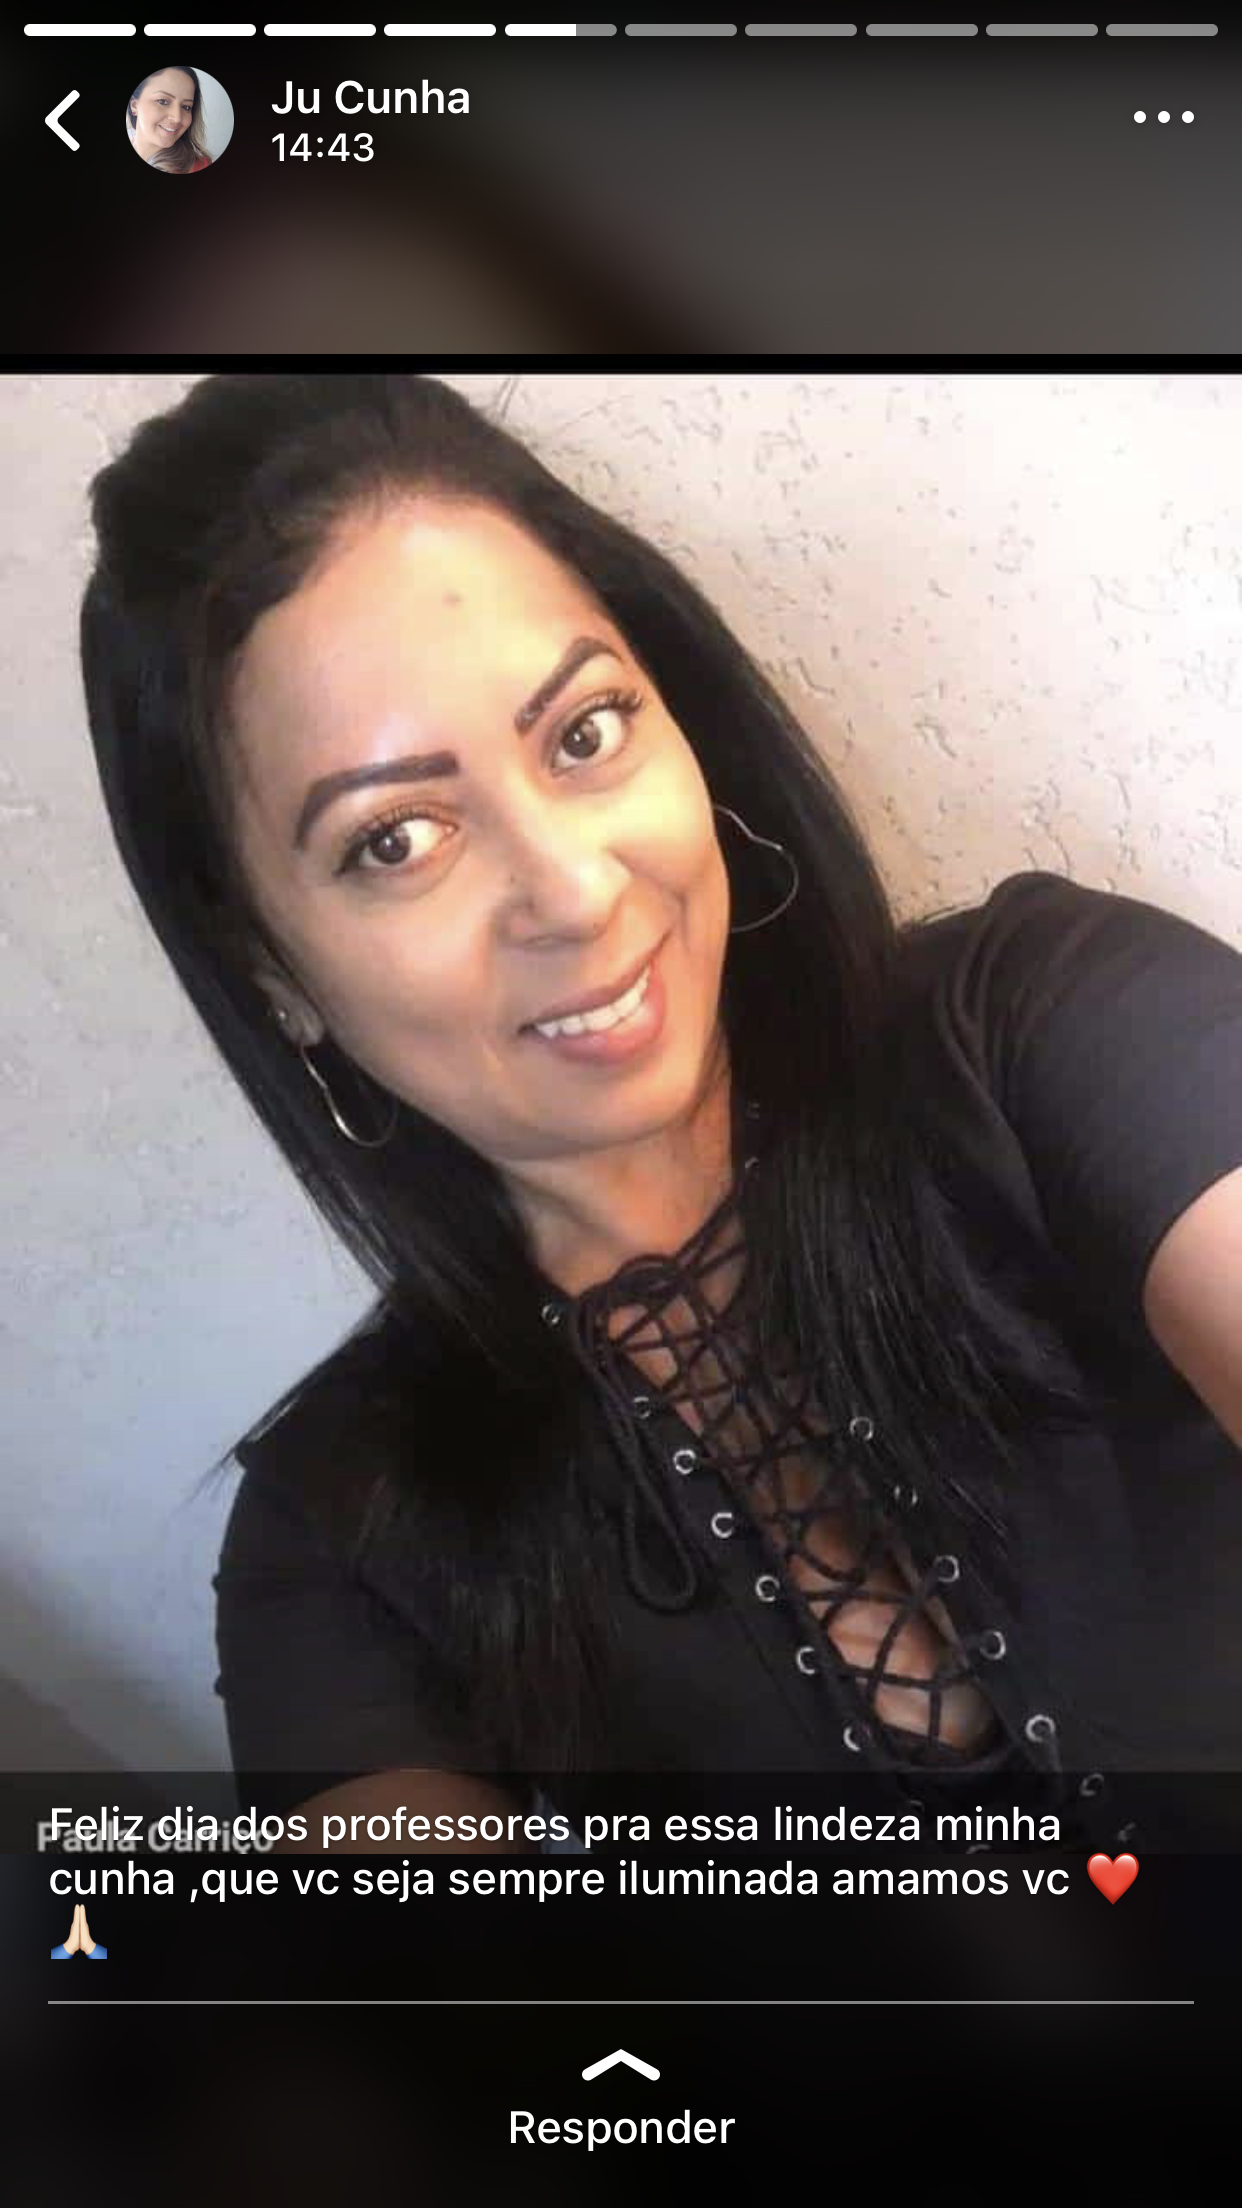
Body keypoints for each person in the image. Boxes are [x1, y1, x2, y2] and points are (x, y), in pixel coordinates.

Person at [79, 375, 1242, 1861]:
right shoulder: (337, 1552)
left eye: (582, 733)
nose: (571, 889)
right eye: (397, 837)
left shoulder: (1056, 1025)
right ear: (270, 972)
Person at [126, 67, 213, 172]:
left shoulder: (200, 166)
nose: (177, 118)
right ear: (134, 105)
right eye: (163, 101)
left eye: (186, 107)